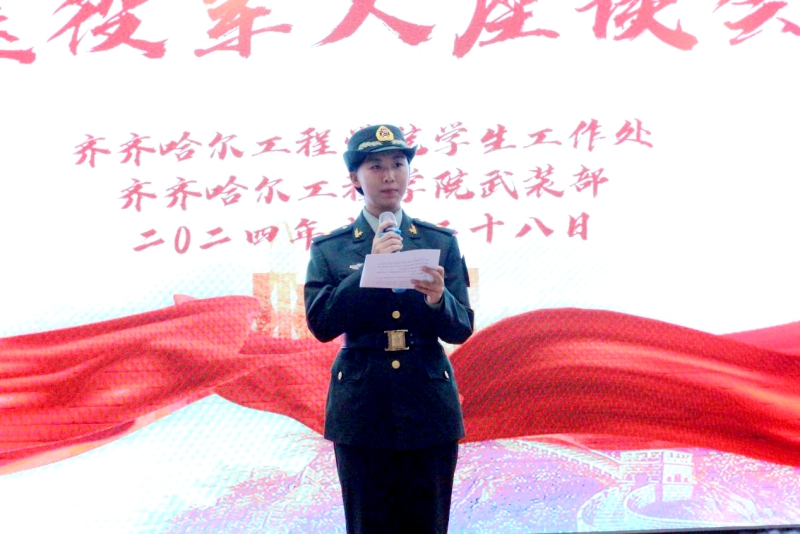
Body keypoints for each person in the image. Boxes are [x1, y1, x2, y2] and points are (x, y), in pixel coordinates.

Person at [304, 124, 475, 534]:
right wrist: (367, 272)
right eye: (376, 166)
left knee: (428, 525)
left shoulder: (439, 241)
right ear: (354, 178)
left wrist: (438, 300)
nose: (389, 176)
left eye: (398, 164)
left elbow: (461, 328)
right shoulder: (331, 249)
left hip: (427, 406)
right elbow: (321, 324)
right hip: (362, 410)